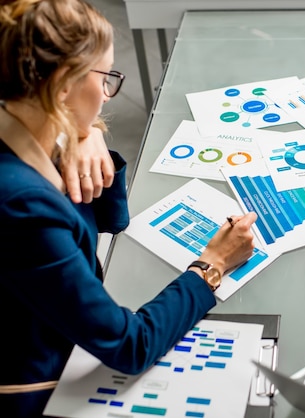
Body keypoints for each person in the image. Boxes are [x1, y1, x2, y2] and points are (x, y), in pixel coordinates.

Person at [0, 1, 257, 416]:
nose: (106, 94)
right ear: (62, 85)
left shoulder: (19, 121)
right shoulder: (20, 208)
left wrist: (86, 134)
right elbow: (129, 345)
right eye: (104, 78)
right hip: (39, 383)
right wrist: (212, 265)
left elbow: (111, 219)